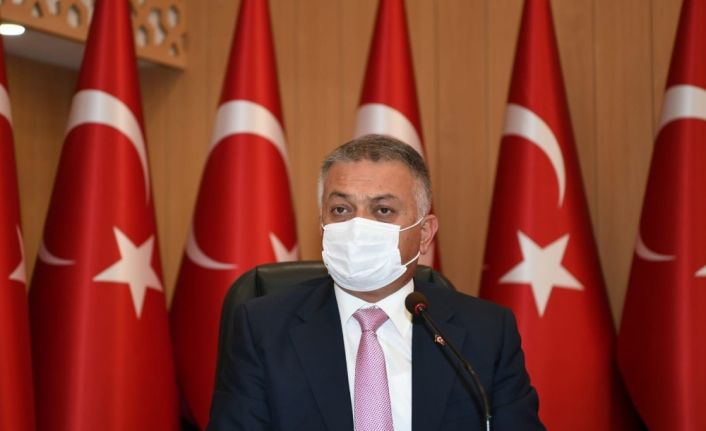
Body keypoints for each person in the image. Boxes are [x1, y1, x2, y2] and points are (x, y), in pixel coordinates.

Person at [207, 134, 544, 430]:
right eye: (341, 210)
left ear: (424, 233)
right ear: (321, 222)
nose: (357, 227)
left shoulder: (487, 332)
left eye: (383, 210)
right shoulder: (263, 328)